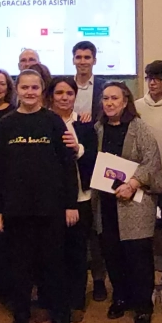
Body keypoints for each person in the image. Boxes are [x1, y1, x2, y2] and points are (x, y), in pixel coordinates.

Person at [0, 69, 80, 323]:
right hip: (16, 211)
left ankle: (60, 319)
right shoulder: (5, 124)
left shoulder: (53, 122)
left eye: (35, 88)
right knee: (19, 269)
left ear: (42, 91)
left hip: (51, 209)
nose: (30, 92)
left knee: (55, 267)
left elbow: (67, 166)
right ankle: (20, 321)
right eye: (25, 87)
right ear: (17, 89)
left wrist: (70, 204)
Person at [95, 82, 162, 323]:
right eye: (105, 98)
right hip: (106, 202)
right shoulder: (98, 128)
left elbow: (152, 161)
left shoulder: (139, 128)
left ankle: (143, 308)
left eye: (115, 98)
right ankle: (121, 297)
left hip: (134, 203)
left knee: (138, 258)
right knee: (112, 254)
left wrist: (132, 183)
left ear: (125, 102)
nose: (109, 103)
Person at [45, 76, 98, 323]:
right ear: (51, 96)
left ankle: (76, 301)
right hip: (50, 200)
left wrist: (78, 149)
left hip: (81, 197)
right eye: (59, 93)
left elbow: (94, 158)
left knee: (77, 252)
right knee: (51, 252)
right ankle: (52, 301)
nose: (64, 97)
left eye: (69, 93)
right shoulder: (43, 122)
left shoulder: (85, 125)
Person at [134, 60, 162, 314]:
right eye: (150, 78)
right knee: (144, 237)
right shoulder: (137, 107)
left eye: (158, 79)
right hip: (144, 183)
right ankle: (147, 285)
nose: (153, 83)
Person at [70, 41, 109, 301]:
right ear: (73, 59)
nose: (83, 61)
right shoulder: (65, 86)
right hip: (71, 160)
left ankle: (98, 279)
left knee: (96, 226)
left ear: (94, 60)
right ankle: (74, 282)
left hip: (98, 158)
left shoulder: (105, 87)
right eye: (79, 57)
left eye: (87, 57)